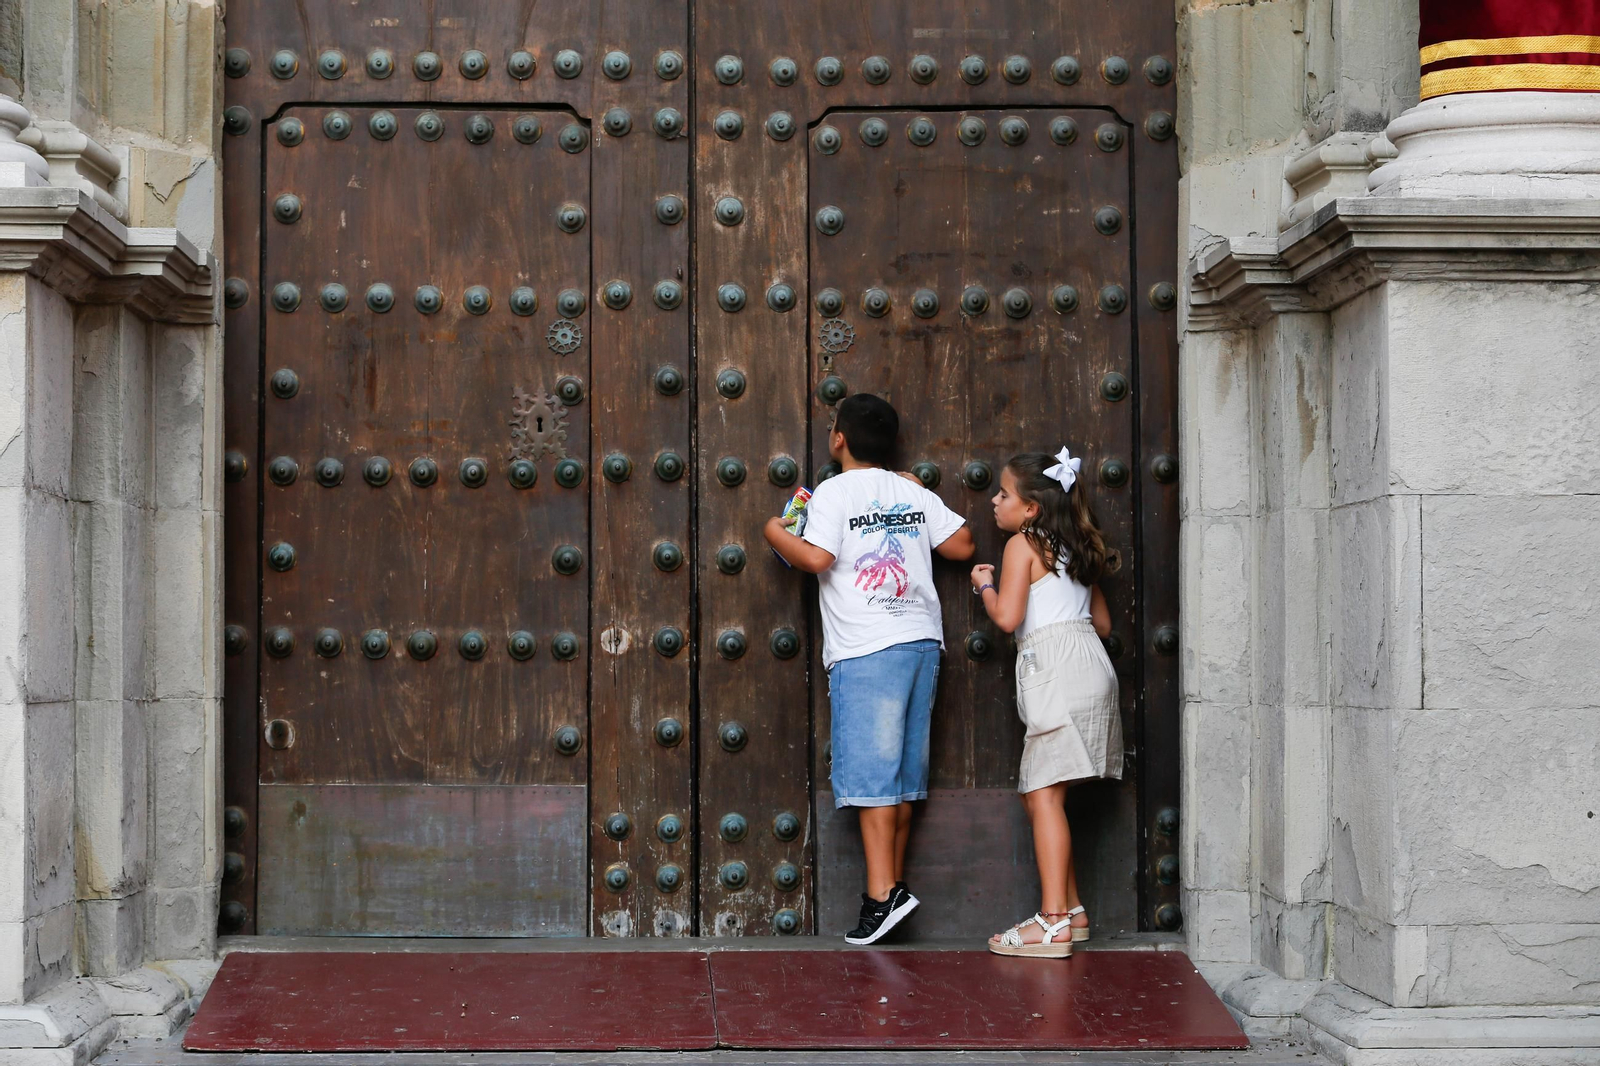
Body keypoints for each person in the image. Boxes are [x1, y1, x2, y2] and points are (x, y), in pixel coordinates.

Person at [764, 394, 975, 944]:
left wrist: (772, 530)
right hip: (921, 644)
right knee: (902, 780)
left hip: (866, 647)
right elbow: (962, 545)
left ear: (838, 440)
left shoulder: (832, 491)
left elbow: (816, 559)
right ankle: (889, 892)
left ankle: (883, 897)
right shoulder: (910, 489)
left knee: (872, 781)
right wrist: (920, 496)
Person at [970, 447, 1121, 959]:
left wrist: (985, 586)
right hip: (1090, 665)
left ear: (1030, 508)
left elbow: (1009, 617)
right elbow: (1102, 624)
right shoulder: (1077, 544)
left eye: (1005, 493)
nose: (996, 500)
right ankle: (1073, 911)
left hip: (1054, 671)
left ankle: (1053, 921)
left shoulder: (1022, 545)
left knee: (1045, 794)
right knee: (1041, 795)